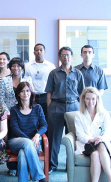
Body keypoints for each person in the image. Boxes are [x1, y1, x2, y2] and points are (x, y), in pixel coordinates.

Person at [45, 46, 85, 174]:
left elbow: (82, 94)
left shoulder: (78, 73)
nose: (65, 57)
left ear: (72, 57)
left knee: (73, 138)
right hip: (56, 106)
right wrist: (50, 108)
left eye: (68, 55)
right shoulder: (53, 73)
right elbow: (49, 93)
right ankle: (52, 165)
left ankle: (71, 164)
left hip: (73, 107)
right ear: (59, 57)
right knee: (54, 137)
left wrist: (82, 110)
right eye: (63, 55)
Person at [9, 82, 55, 182]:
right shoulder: (14, 109)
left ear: (31, 93)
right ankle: (41, 180)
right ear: (18, 94)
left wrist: (37, 135)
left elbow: (44, 125)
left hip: (33, 142)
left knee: (22, 155)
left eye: (27, 90)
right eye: (22, 91)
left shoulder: (37, 108)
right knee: (26, 144)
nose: (25, 93)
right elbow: (15, 129)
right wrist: (30, 140)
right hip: (16, 141)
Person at [75, 87, 111, 182]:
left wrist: (102, 138)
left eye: (93, 99)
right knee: (97, 146)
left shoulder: (104, 113)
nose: (90, 102)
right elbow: (80, 134)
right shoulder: (79, 115)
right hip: (86, 144)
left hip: (102, 143)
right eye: (88, 99)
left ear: (97, 100)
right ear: (83, 99)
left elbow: (109, 131)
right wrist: (91, 139)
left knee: (96, 154)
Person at [0, 57, 33, 176]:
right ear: (10, 67)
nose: (16, 68)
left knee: (24, 137)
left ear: (22, 67)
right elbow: (1, 99)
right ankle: (12, 167)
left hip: (24, 114)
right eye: (13, 65)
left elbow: (30, 95)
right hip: (9, 114)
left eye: (18, 66)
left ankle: (24, 166)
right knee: (10, 139)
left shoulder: (27, 79)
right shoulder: (4, 80)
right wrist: (8, 112)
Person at [25, 43, 55, 120]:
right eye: (36, 50)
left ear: (44, 52)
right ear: (34, 52)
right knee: (32, 118)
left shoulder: (51, 66)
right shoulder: (28, 66)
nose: (39, 52)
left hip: (45, 96)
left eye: (41, 50)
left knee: (46, 118)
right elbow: (25, 81)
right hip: (32, 96)